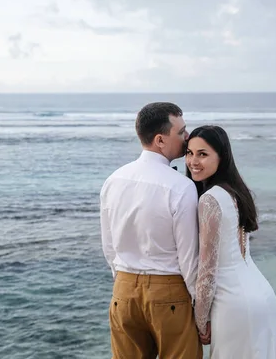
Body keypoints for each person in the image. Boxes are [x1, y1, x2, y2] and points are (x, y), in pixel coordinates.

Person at [186, 125, 276, 358]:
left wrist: (200, 321)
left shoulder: (209, 200)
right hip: (260, 292)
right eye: (189, 153)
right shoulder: (236, 192)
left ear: (222, 157)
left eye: (203, 154)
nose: (193, 161)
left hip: (232, 303)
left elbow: (208, 271)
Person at [100, 102, 202, 359]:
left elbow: (109, 245)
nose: (187, 137)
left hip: (123, 289)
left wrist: (125, 281)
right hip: (169, 291)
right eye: (181, 132)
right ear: (160, 139)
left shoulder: (114, 180)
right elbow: (188, 258)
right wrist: (201, 311)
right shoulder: (180, 186)